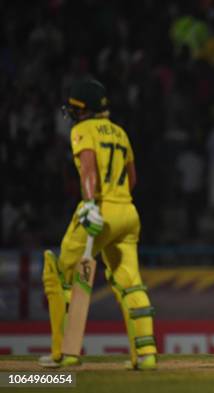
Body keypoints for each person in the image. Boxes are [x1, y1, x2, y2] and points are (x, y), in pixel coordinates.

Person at [39, 79, 157, 370]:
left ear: (82, 108)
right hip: (127, 213)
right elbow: (132, 178)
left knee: (60, 275)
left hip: (99, 211)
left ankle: (64, 353)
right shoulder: (120, 132)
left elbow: (88, 168)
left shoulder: (82, 129)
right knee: (130, 282)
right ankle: (146, 355)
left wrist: (91, 203)